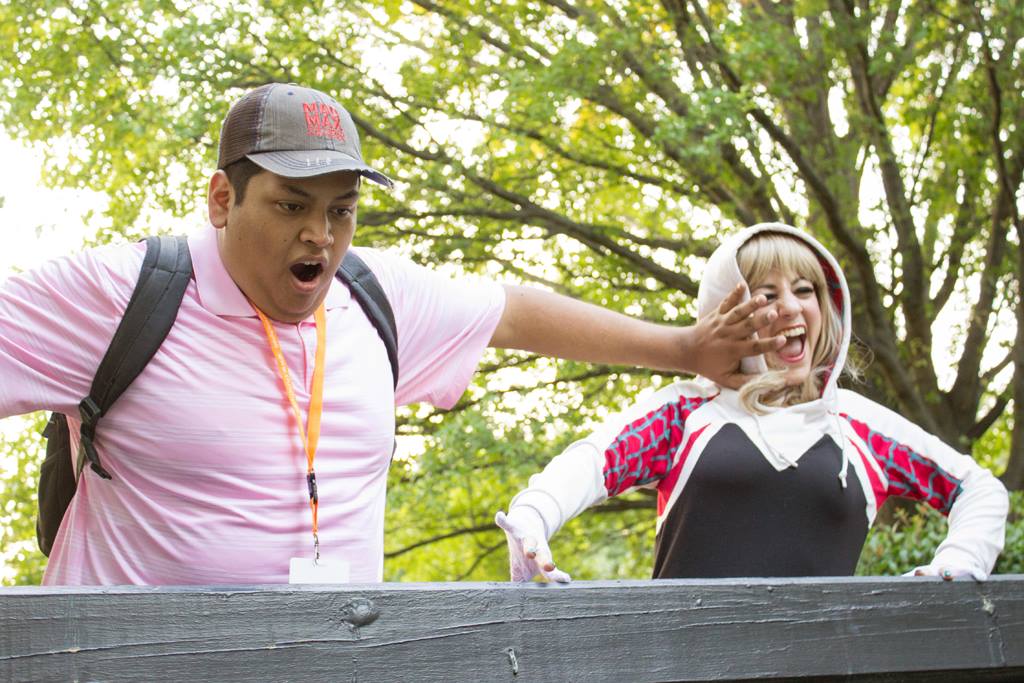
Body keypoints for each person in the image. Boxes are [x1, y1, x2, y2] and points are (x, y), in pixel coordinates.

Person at [0, 83, 783, 585]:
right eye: (291, 204)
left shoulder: (375, 297)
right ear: (221, 199)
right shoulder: (124, 294)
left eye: (341, 210)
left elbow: (512, 312)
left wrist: (682, 349)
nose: (320, 235)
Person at [496, 223, 1009, 583]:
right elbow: (592, 463)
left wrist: (960, 561)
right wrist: (533, 518)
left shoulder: (862, 429)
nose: (789, 306)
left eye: (804, 289)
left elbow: (977, 488)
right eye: (765, 294)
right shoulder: (684, 414)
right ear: (728, 314)